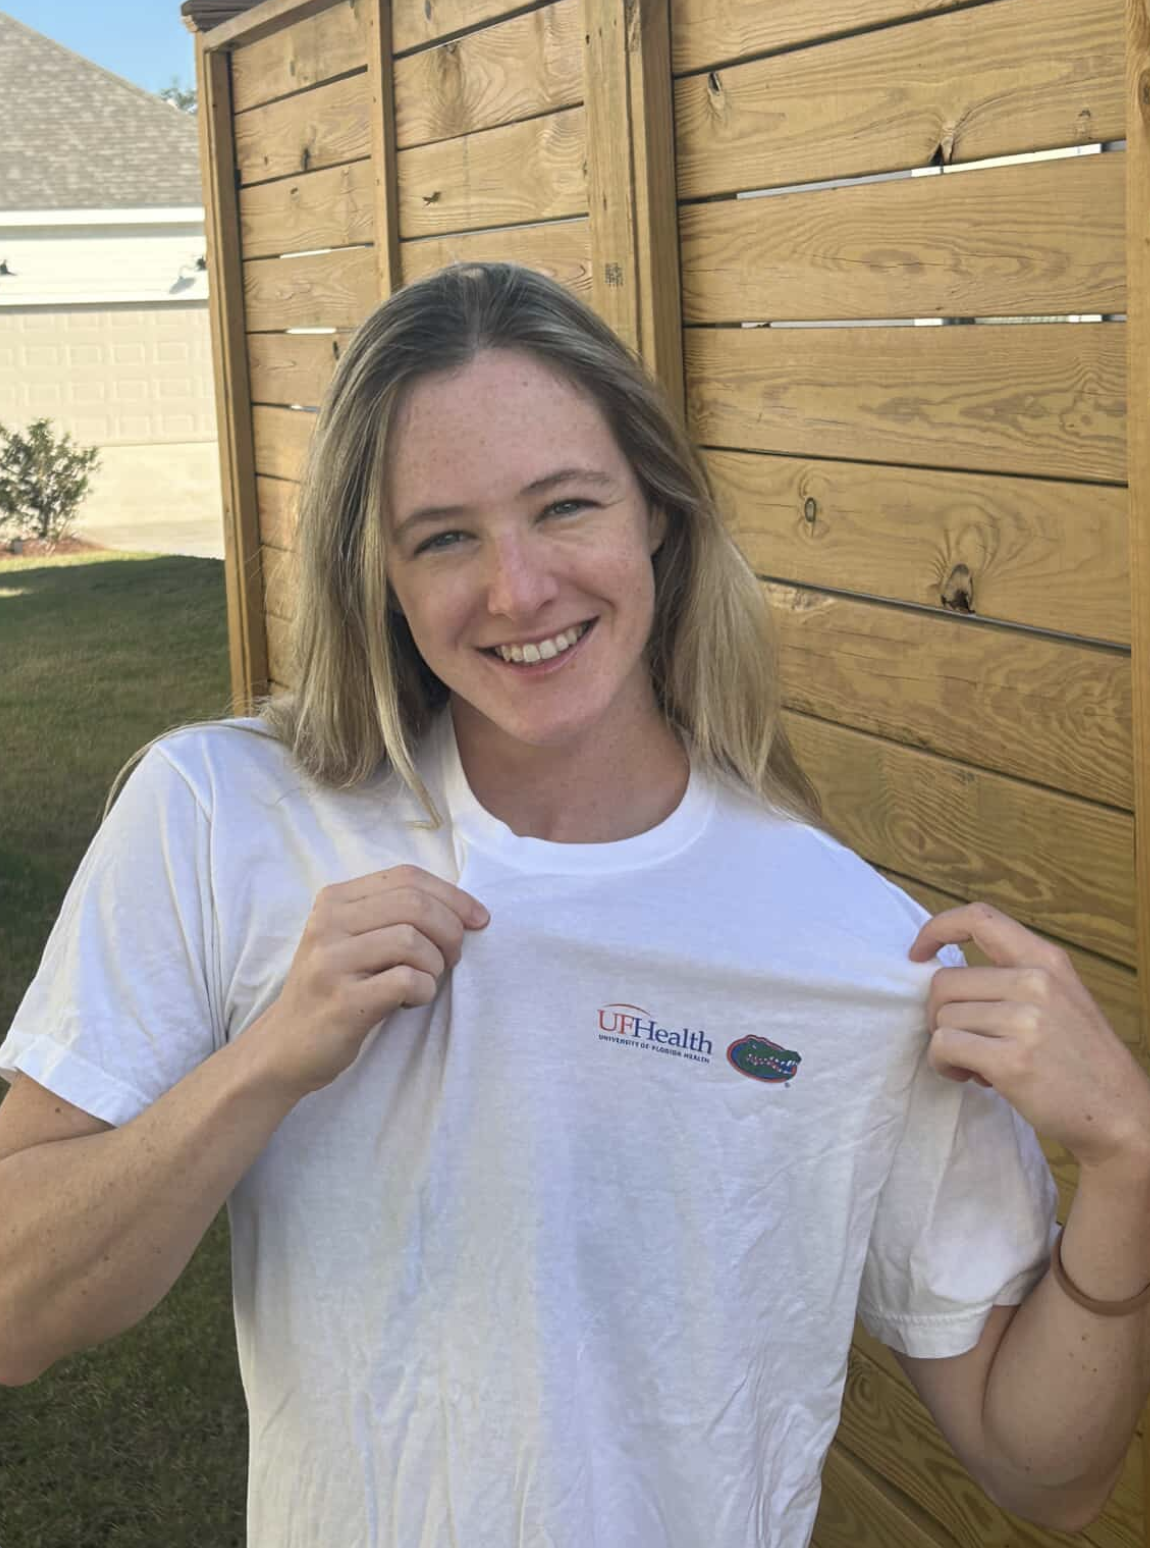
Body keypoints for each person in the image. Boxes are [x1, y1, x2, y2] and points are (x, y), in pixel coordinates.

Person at [1, 261, 1148, 1548]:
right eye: (443, 536)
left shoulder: (850, 952)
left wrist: (1128, 1161)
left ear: (655, 509)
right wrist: (265, 1064)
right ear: (373, 570)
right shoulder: (227, 815)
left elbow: (1044, 1471)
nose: (518, 589)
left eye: (564, 506)